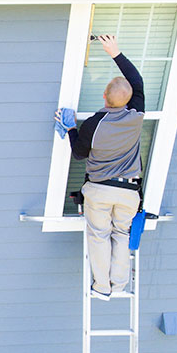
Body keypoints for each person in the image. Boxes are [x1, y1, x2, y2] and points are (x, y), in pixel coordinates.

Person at [55, 34, 144, 300]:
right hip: (129, 192)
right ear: (128, 100)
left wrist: (71, 128)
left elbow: (80, 153)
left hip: (101, 190)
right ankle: (119, 285)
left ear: (104, 96)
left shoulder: (95, 123)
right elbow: (137, 84)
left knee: (99, 235)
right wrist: (115, 53)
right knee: (120, 235)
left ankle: (102, 287)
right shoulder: (136, 115)